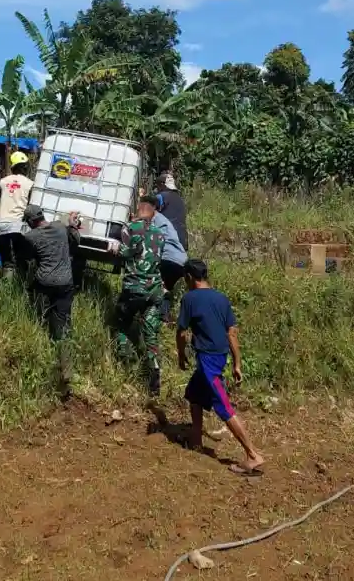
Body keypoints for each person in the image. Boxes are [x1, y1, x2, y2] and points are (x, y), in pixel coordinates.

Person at [176, 259, 264, 475]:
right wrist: (237, 363)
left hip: (208, 361)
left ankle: (253, 455)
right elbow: (232, 333)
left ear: (189, 277)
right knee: (194, 394)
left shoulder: (189, 299)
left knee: (223, 406)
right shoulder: (221, 298)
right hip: (219, 356)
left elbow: (181, 332)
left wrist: (180, 354)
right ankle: (196, 439)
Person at [109, 195, 165, 398]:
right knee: (150, 333)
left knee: (121, 324)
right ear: (153, 212)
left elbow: (126, 252)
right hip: (155, 291)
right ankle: (154, 370)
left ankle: (127, 363)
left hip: (134, 289)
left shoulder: (131, 229)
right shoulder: (160, 234)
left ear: (138, 209)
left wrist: (115, 249)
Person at [22, 204, 81, 391]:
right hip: (65, 283)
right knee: (62, 324)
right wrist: (72, 224)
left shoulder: (30, 236)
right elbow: (76, 240)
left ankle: (43, 352)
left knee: (40, 316)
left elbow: (27, 258)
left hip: (45, 284)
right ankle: (66, 368)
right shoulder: (59, 227)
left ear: (31, 221)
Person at [151, 207, 188, 322]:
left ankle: (152, 315)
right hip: (182, 260)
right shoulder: (165, 221)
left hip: (168, 257)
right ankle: (164, 315)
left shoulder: (154, 219)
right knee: (165, 287)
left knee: (153, 281)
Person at [155, 172, 188, 252]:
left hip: (168, 239)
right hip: (182, 240)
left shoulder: (161, 196)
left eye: (158, 185)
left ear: (162, 185)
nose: (157, 188)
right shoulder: (180, 200)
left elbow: (147, 211)